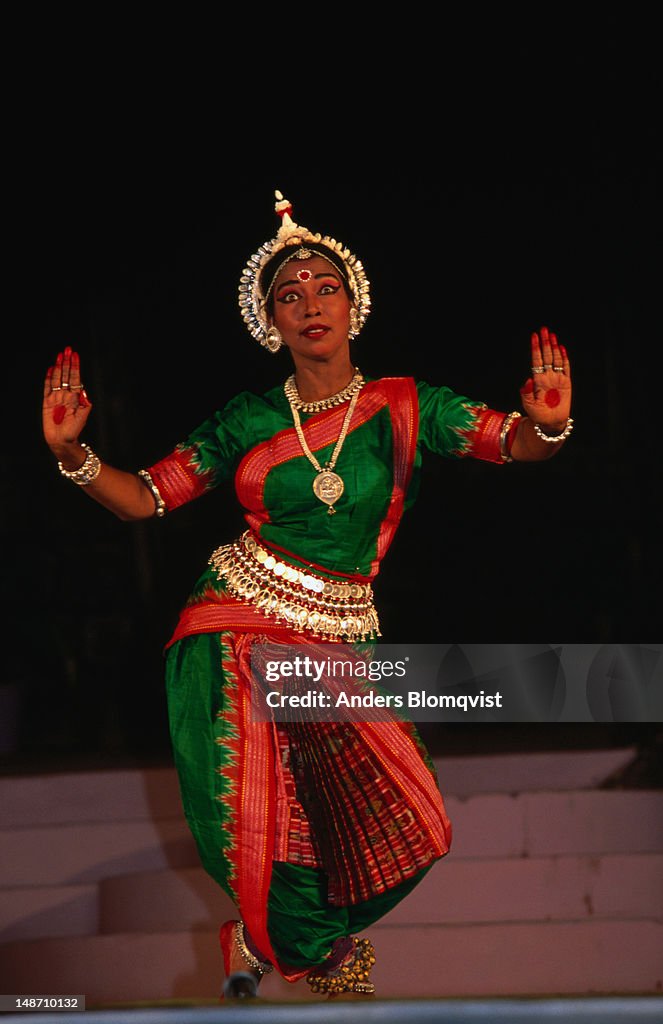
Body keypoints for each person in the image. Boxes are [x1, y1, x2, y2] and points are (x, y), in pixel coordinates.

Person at [42, 191, 573, 1000]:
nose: (309, 303)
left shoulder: (407, 404)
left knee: (417, 822)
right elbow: (148, 496)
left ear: (353, 305)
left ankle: (261, 937)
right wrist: (75, 454)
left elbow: (510, 442)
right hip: (234, 615)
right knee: (252, 799)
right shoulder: (245, 418)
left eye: (324, 287)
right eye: (288, 296)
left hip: (339, 634)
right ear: (270, 323)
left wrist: (546, 429)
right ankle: (278, 939)